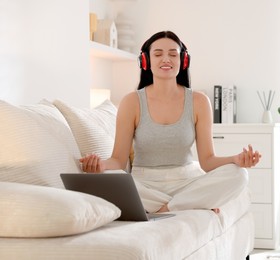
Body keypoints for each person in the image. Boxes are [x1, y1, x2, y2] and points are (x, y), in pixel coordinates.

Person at [79, 30, 261, 214]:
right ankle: (190, 203)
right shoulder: (131, 102)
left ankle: (167, 208)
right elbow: (118, 160)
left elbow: (207, 161)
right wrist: (100, 166)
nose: (166, 59)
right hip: (145, 185)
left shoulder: (199, 101)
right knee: (110, 179)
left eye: (173, 54)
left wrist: (236, 160)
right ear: (146, 61)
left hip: (187, 181)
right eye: (158, 54)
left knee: (239, 175)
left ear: (183, 61)